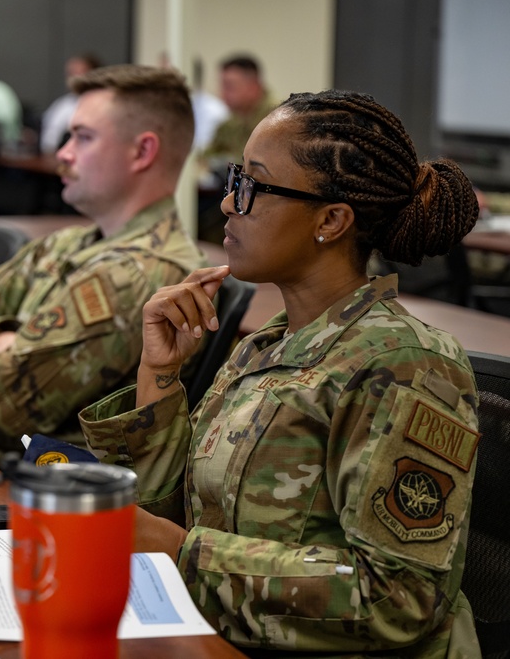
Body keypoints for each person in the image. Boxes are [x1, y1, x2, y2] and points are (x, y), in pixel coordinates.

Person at [79, 90, 481, 656]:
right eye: (232, 180)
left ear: (331, 220)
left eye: (251, 187)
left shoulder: (405, 363)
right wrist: (160, 375)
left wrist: (180, 552)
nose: (226, 205)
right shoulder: (266, 347)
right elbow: (169, 516)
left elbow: (398, 599)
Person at [0, 64, 207, 453]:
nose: (63, 154)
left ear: (142, 151)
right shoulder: (67, 243)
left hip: (5, 470)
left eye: (82, 138)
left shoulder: (140, 275)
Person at [202, 54, 277, 165]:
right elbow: (204, 160)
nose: (223, 94)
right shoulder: (230, 125)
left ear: (253, 87)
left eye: (229, 87)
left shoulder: (279, 119)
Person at [39, 53, 100, 155]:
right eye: (70, 74)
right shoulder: (63, 103)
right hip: (50, 159)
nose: (73, 79)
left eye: (78, 73)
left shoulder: (100, 107)